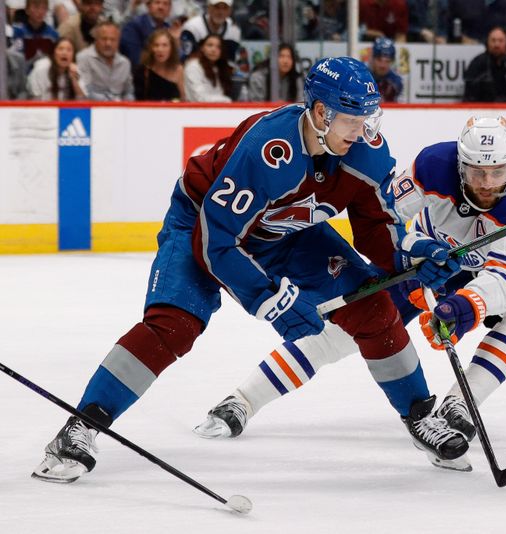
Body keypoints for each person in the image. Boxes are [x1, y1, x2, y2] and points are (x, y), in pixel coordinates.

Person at [31, 56, 467, 484]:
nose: (365, 130)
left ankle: (420, 416)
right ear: (321, 113)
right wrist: (268, 299)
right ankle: (81, 425)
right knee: (175, 323)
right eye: (354, 119)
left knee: (372, 306)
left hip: (286, 233)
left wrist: (414, 256)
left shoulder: (366, 152)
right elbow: (217, 241)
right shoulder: (268, 149)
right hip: (201, 223)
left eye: (369, 116)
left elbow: (376, 227)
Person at [194, 115, 506, 472]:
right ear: (460, 164)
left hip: (483, 275)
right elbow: (386, 215)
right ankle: (243, 400)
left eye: (497, 172)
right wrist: (417, 249)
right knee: (341, 331)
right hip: (424, 264)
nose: (486, 183)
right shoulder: (434, 164)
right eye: (476, 172)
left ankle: (460, 405)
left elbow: (505, 275)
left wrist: (466, 306)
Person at [76, 20, 134, 100]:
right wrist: (111, 103)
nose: (108, 44)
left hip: (119, 109)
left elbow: (128, 92)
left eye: (113, 40)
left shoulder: (125, 63)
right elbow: (86, 90)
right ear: (96, 40)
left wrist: (128, 105)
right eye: (104, 39)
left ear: (118, 41)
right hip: (92, 108)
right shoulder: (84, 57)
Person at [463, 26, 506, 102]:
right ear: (487, 43)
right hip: (481, 110)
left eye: (501, 41)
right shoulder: (478, 63)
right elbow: (469, 96)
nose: (496, 45)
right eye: (493, 40)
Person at [134, 28, 184, 100]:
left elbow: (183, 99)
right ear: (151, 48)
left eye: (165, 45)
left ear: (171, 48)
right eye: (156, 45)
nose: (160, 50)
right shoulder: (143, 71)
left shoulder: (178, 70)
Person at [120, 0, 171, 68]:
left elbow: (175, 59)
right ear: (148, 6)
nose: (161, 7)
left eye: (165, 4)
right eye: (157, 2)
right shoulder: (133, 26)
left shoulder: (168, 28)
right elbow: (136, 60)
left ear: (170, 9)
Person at [11, 0, 59, 70]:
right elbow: (14, 58)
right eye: (36, 7)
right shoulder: (18, 31)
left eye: (44, 8)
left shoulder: (53, 34)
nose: (40, 12)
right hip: (22, 74)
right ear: (27, 10)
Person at [183, 33, 231, 102]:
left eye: (218, 47)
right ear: (202, 48)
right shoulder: (193, 66)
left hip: (215, 110)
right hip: (195, 110)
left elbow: (219, 94)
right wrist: (227, 100)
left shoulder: (217, 68)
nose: (213, 50)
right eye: (210, 45)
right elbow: (200, 98)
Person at [369, 37, 403, 102]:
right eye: (379, 60)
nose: (383, 65)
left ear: (392, 62)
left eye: (387, 61)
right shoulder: (363, 79)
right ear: (372, 59)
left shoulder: (396, 82)